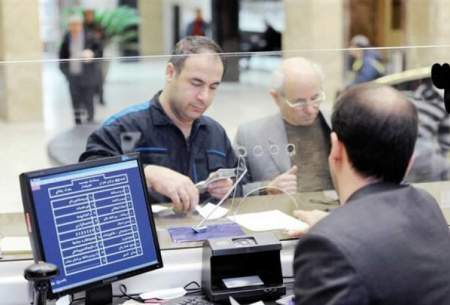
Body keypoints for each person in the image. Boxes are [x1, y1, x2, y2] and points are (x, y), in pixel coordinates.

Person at [292, 84, 450, 304]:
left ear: (336, 148)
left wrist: (333, 230)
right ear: (409, 161)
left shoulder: (324, 245)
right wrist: (336, 225)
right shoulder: (426, 205)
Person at [79, 36, 236, 212]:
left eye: (213, 87)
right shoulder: (123, 127)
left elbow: (240, 185)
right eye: (196, 83)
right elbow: (86, 180)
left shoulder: (215, 133)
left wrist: (228, 188)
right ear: (170, 73)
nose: (204, 97)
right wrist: (147, 174)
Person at [235, 57, 333, 195]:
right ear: (276, 97)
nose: (310, 109)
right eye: (299, 102)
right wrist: (266, 188)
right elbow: (233, 191)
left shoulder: (340, 124)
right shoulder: (250, 135)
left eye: (315, 98)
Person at [59, 14, 103, 124]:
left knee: (88, 98)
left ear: (80, 25)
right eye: (71, 25)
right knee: (75, 99)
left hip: (87, 75)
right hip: (73, 75)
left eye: (76, 25)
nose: (74, 28)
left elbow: (100, 51)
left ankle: (90, 119)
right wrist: (66, 73)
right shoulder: (66, 38)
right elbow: (61, 57)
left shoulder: (90, 36)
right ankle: (77, 121)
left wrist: (92, 54)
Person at [83, 8, 106, 106]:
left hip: (97, 55)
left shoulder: (98, 26)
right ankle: (88, 99)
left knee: (99, 78)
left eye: (90, 15)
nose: (89, 17)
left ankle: (101, 97)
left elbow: (104, 38)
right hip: (85, 56)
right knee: (87, 80)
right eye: (87, 15)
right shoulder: (83, 27)